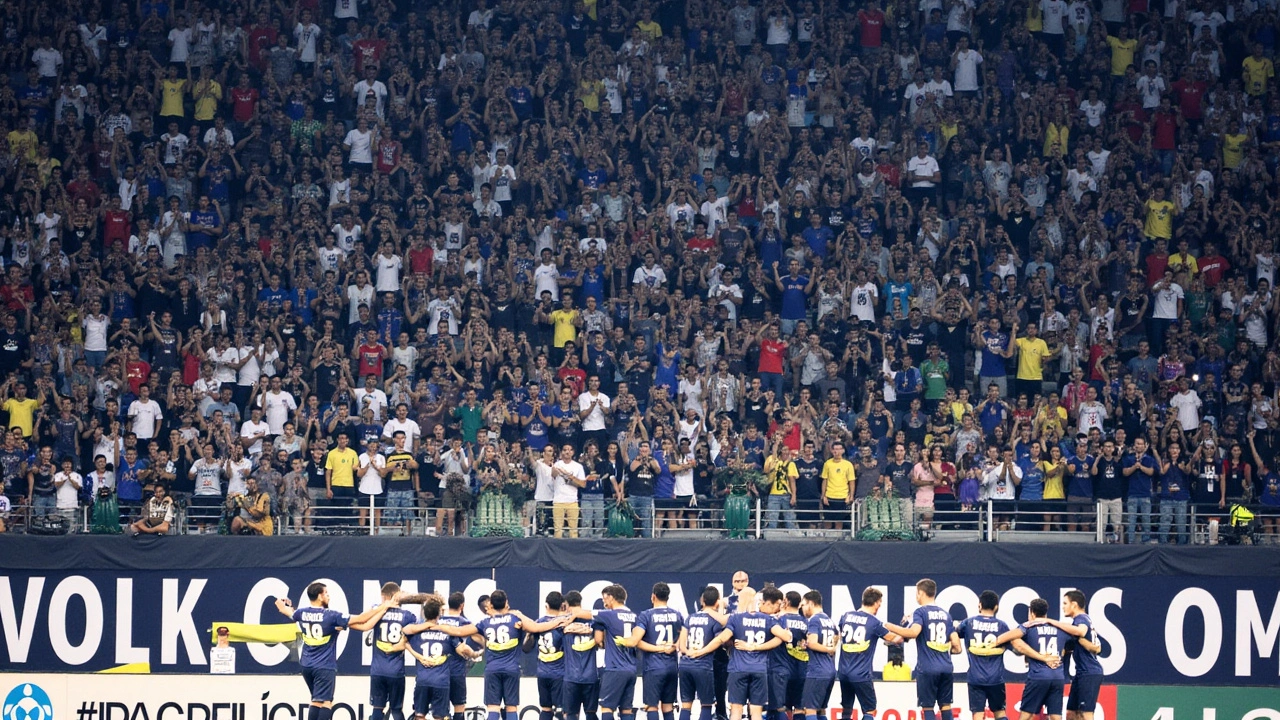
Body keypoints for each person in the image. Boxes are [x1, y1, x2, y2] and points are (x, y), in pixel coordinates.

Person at [275, 583, 397, 720]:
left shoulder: (301, 613)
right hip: (324, 666)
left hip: (306, 665)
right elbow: (363, 621)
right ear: (320, 596)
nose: (329, 596)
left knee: (316, 700)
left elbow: (283, 609)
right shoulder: (332, 617)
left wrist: (283, 602)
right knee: (325, 702)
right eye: (326, 593)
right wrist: (383, 607)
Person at [701, 586, 793, 720]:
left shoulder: (735, 618)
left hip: (738, 669)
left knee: (736, 711)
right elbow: (785, 637)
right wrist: (756, 646)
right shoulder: (767, 619)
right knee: (756, 712)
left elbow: (721, 638)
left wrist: (702, 651)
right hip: (759, 669)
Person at [892, 579, 960, 720]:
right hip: (946, 667)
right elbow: (957, 646)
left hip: (928, 667)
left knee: (928, 707)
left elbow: (913, 632)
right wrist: (948, 651)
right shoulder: (946, 615)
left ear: (920, 593)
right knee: (946, 706)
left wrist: (888, 626)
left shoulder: (920, 612)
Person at [1030, 591, 1104, 720]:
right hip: (1081, 673)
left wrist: (1052, 622)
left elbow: (1081, 631)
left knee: (1086, 714)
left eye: (1065, 603)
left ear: (1074, 605)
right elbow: (1096, 647)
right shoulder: (1082, 620)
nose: (1063, 606)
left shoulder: (1081, 619)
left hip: (1089, 672)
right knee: (1071, 713)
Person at [994, 598, 1068, 720]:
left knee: (1026, 715)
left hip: (1038, 676)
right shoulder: (1060, 628)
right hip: (1057, 677)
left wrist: (1041, 656)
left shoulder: (1028, 626)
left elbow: (1005, 639)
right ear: (1045, 613)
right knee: (1056, 716)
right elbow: (1069, 646)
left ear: (1032, 613)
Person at [836, 587, 902, 720]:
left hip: (843, 672)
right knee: (870, 710)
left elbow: (839, 635)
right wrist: (901, 627)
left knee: (847, 708)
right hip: (861, 674)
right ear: (877, 603)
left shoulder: (846, 616)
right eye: (880, 603)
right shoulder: (874, 623)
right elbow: (896, 639)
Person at [368, 582, 419, 720]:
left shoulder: (377, 611)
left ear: (386, 597)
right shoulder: (408, 616)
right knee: (396, 709)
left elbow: (365, 618)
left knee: (377, 709)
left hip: (378, 670)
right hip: (396, 671)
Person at [637, 583, 686, 720]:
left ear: (653, 597)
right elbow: (684, 636)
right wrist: (674, 646)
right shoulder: (677, 615)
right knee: (668, 706)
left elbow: (638, 641)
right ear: (668, 597)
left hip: (653, 667)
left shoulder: (646, 615)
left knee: (652, 706)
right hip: (671, 666)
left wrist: (659, 648)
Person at [678, 586, 727, 720]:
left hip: (685, 664)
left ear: (702, 601)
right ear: (717, 602)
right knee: (706, 704)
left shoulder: (690, 617)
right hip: (703, 665)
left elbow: (681, 643)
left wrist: (688, 652)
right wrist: (701, 652)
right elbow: (719, 641)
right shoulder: (716, 621)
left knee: (686, 705)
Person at [798, 590, 837, 720]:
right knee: (821, 709)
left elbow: (813, 643)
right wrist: (830, 648)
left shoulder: (814, 620)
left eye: (803, 604)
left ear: (810, 603)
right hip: (830, 669)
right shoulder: (829, 620)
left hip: (817, 670)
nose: (802, 608)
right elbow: (837, 638)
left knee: (809, 709)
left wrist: (824, 648)